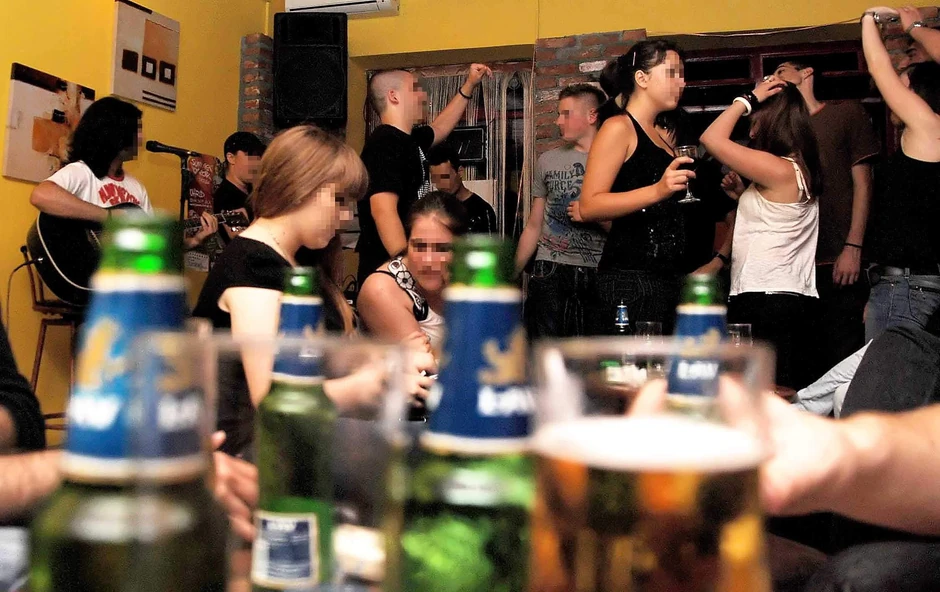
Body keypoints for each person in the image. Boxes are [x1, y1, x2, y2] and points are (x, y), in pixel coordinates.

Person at [700, 80, 823, 390]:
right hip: (781, 298)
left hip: (768, 301)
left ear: (773, 122)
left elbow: (710, 138)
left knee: (761, 395)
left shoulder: (779, 169)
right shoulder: (795, 168)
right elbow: (774, 223)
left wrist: (747, 99)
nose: (752, 133)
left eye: (756, 123)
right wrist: (744, 196)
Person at [770, 59, 881, 380]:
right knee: (803, 364)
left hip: (838, 256)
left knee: (843, 359)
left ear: (806, 73)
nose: (773, 78)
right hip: (795, 264)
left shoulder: (845, 114)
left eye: (780, 70)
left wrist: (853, 246)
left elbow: (864, 183)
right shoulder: (782, 130)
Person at [578, 41, 693, 335]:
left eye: (682, 75)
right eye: (672, 73)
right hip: (630, 280)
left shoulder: (662, 134)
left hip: (667, 279)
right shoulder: (618, 128)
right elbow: (589, 205)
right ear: (642, 78)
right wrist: (658, 190)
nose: (681, 82)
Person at [356, 64, 492, 289]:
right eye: (415, 89)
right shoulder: (384, 143)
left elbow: (440, 127)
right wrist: (408, 268)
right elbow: (383, 211)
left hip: (403, 273)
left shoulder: (410, 141)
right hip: (389, 276)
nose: (423, 96)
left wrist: (469, 84)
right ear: (394, 96)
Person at [29, 96, 218, 250]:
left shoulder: (136, 187)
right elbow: (41, 195)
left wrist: (194, 241)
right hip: (85, 268)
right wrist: (109, 217)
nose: (142, 138)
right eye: (137, 130)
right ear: (115, 135)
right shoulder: (81, 172)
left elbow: (150, 242)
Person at [861, 8, 940, 343]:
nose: (894, 96)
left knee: (884, 376)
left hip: (907, 287)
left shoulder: (929, 127)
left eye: (904, 86)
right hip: (903, 285)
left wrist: (868, 19)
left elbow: (880, 69)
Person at [514, 83, 609, 338]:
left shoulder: (614, 158)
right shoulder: (548, 160)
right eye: (558, 114)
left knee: (592, 352)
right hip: (550, 269)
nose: (558, 121)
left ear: (591, 116)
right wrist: (512, 273)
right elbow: (534, 225)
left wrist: (592, 213)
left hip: (600, 269)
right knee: (544, 351)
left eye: (566, 114)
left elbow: (628, 228)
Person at [358, 192, 468, 354]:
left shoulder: (470, 279)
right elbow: (426, 364)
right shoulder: (382, 289)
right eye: (419, 247)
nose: (428, 260)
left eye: (442, 248)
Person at [427, 144, 496, 234]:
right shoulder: (432, 209)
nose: (441, 184)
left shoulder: (482, 211)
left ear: (460, 172)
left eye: (445, 177)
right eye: (435, 179)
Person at [214, 131, 265, 243]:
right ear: (231, 158)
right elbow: (241, 240)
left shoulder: (252, 190)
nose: (256, 162)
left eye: (258, 156)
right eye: (250, 156)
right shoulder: (226, 196)